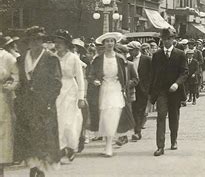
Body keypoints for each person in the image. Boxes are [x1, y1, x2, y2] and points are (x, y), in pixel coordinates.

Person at [14, 26, 62, 177]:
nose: (36, 43)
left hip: (44, 104)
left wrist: (49, 101)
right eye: (33, 40)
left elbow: (56, 82)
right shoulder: (21, 59)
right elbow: (19, 81)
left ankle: (40, 168)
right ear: (28, 42)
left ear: (43, 41)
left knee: (44, 136)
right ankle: (32, 165)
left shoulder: (50, 58)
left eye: (39, 40)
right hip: (26, 104)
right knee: (29, 135)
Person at [87, 32, 128, 157]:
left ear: (115, 43)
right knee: (105, 116)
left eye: (112, 41)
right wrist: (94, 80)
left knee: (113, 114)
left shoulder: (120, 58)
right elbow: (91, 74)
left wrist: (124, 89)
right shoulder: (98, 59)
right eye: (107, 41)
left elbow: (124, 77)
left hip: (116, 89)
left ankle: (109, 144)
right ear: (103, 44)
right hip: (103, 89)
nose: (109, 43)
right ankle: (107, 144)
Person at [149, 29, 188, 156]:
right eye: (164, 39)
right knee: (161, 116)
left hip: (175, 91)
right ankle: (160, 146)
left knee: (174, 116)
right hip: (161, 91)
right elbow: (153, 75)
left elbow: (184, 72)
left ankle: (174, 140)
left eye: (168, 39)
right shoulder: (157, 55)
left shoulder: (180, 54)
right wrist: (152, 93)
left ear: (173, 40)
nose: (166, 41)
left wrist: (177, 83)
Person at [51, 29, 85, 162]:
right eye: (56, 42)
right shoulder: (53, 57)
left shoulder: (73, 58)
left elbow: (80, 78)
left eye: (60, 42)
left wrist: (81, 97)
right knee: (58, 120)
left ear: (66, 44)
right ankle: (61, 147)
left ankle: (71, 147)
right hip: (56, 91)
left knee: (70, 121)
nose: (57, 45)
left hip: (71, 91)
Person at [0, 36, 19, 177]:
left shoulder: (7, 57)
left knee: (3, 132)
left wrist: (10, 86)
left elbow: (16, 76)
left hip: (2, 97)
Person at [127, 41, 152, 142]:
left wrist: (149, 88)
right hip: (132, 89)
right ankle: (137, 130)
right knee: (133, 110)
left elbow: (151, 74)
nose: (129, 52)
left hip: (143, 89)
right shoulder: (128, 60)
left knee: (141, 110)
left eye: (131, 50)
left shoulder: (147, 59)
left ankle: (137, 132)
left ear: (137, 50)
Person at [114, 44, 138, 146]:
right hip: (114, 92)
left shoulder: (130, 64)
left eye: (119, 53)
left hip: (127, 94)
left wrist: (128, 84)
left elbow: (136, 79)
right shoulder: (113, 64)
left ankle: (123, 136)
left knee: (125, 115)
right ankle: (120, 135)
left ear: (124, 54)